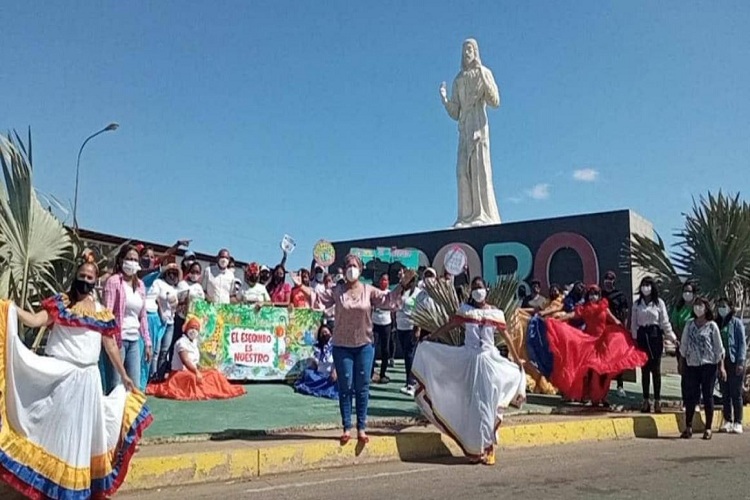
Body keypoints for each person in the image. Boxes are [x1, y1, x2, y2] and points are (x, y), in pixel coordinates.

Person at [0, 260, 152, 499]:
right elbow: (37, 320)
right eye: (82, 275)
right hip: (61, 376)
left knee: (78, 435)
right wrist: (11, 310)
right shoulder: (61, 304)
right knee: (58, 431)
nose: (85, 280)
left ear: (95, 282)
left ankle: (70, 490)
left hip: (88, 382)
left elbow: (110, 345)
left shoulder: (101, 311)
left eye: (90, 277)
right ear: (75, 276)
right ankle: (51, 487)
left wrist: (124, 375)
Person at [299, 254, 413, 445]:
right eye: (349, 265)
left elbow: (388, 299)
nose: (352, 268)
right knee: (345, 388)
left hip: (364, 345)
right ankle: (346, 427)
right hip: (342, 346)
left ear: (360, 270)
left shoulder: (369, 291)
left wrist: (402, 285)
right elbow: (318, 298)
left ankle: (361, 427)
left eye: (355, 265)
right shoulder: (337, 291)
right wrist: (301, 286)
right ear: (344, 270)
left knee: (363, 387)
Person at [413, 277, 526, 465]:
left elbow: (506, 336)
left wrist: (515, 357)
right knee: (473, 407)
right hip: (469, 362)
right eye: (474, 288)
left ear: (486, 290)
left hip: (490, 362)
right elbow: (450, 325)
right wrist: (432, 337)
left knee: (489, 405)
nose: (478, 291)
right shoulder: (466, 310)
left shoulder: (496, 314)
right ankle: (474, 449)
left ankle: (489, 447)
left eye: (480, 287)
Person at [147, 316, 245, 400]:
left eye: (196, 329)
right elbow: (185, 361)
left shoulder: (194, 343)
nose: (194, 331)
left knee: (214, 374)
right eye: (192, 328)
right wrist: (196, 372)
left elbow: (196, 362)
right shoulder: (181, 342)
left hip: (192, 371)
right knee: (193, 379)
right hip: (179, 374)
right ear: (187, 329)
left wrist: (200, 371)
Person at [103, 246, 152, 392]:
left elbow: (142, 315)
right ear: (121, 260)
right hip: (118, 340)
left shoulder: (141, 285)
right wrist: (109, 339)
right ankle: (113, 415)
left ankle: (132, 415)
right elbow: (108, 313)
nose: (132, 262)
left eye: (135, 260)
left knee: (135, 385)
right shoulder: (114, 282)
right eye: (129, 259)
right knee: (115, 384)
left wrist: (147, 341)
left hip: (134, 340)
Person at [679, 297, 725, 440]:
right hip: (692, 364)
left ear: (706, 308)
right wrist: (681, 363)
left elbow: (718, 348)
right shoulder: (689, 325)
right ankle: (688, 427)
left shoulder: (712, 326)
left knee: (707, 395)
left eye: (701, 305)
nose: (698, 308)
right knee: (691, 396)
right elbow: (684, 345)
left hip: (708, 365)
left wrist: (721, 366)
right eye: (696, 305)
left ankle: (708, 428)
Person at [630, 277, 677, 413]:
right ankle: (645, 401)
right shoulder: (637, 304)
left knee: (655, 370)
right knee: (644, 370)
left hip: (655, 336)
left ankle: (657, 401)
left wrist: (672, 337)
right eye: (644, 285)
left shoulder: (659, 303)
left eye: (648, 285)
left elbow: (664, 322)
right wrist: (634, 339)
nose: (646, 288)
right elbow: (634, 324)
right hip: (642, 336)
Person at [145, 262, 180, 383]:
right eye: (170, 273)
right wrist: (160, 313)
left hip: (170, 322)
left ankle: (159, 376)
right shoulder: (158, 283)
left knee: (164, 351)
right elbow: (155, 299)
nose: (172, 276)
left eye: (175, 274)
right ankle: (152, 375)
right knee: (155, 350)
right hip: (159, 320)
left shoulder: (176, 288)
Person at [716, 297, 746, 434]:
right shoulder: (717, 324)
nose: (722, 308)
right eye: (720, 306)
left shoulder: (736, 323)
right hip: (722, 362)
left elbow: (742, 344)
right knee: (725, 393)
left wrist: (741, 361)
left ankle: (738, 421)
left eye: (724, 306)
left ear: (730, 307)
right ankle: (727, 420)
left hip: (735, 362)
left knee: (736, 393)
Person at [601, 270, 631, 397]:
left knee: (618, 358)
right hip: (602, 330)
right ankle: (603, 388)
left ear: (614, 280)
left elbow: (625, 313)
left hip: (617, 330)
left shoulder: (620, 295)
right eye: (606, 278)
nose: (608, 281)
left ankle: (620, 386)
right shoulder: (600, 294)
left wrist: (624, 328)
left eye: (611, 278)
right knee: (603, 359)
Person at [294, 323, 338, 400]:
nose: (324, 334)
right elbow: (314, 364)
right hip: (319, 374)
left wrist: (335, 371)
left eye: (326, 332)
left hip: (331, 376)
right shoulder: (317, 348)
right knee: (307, 373)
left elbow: (338, 361)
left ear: (330, 333)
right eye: (322, 333)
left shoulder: (335, 346)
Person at [671, 281, 697, 407]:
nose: (687, 293)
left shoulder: (698, 308)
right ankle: (686, 402)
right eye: (685, 291)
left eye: (690, 291)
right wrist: (682, 337)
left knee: (696, 376)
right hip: (682, 346)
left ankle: (696, 401)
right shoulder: (678, 308)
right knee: (684, 375)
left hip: (697, 348)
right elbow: (674, 324)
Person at [395, 273, 421, 397]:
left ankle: (412, 383)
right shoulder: (401, 291)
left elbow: (420, 312)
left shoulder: (417, 293)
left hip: (411, 327)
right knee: (406, 355)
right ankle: (408, 382)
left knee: (410, 355)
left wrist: (417, 329)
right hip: (401, 326)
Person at [371, 273, 394, 384]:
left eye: (386, 280)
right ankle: (370, 373)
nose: (384, 282)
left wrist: (394, 325)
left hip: (386, 324)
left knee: (385, 350)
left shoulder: (390, 294)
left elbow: (394, 309)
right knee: (372, 348)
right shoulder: (375, 292)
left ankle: (383, 374)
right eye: (382, 279)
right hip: (375, 324)